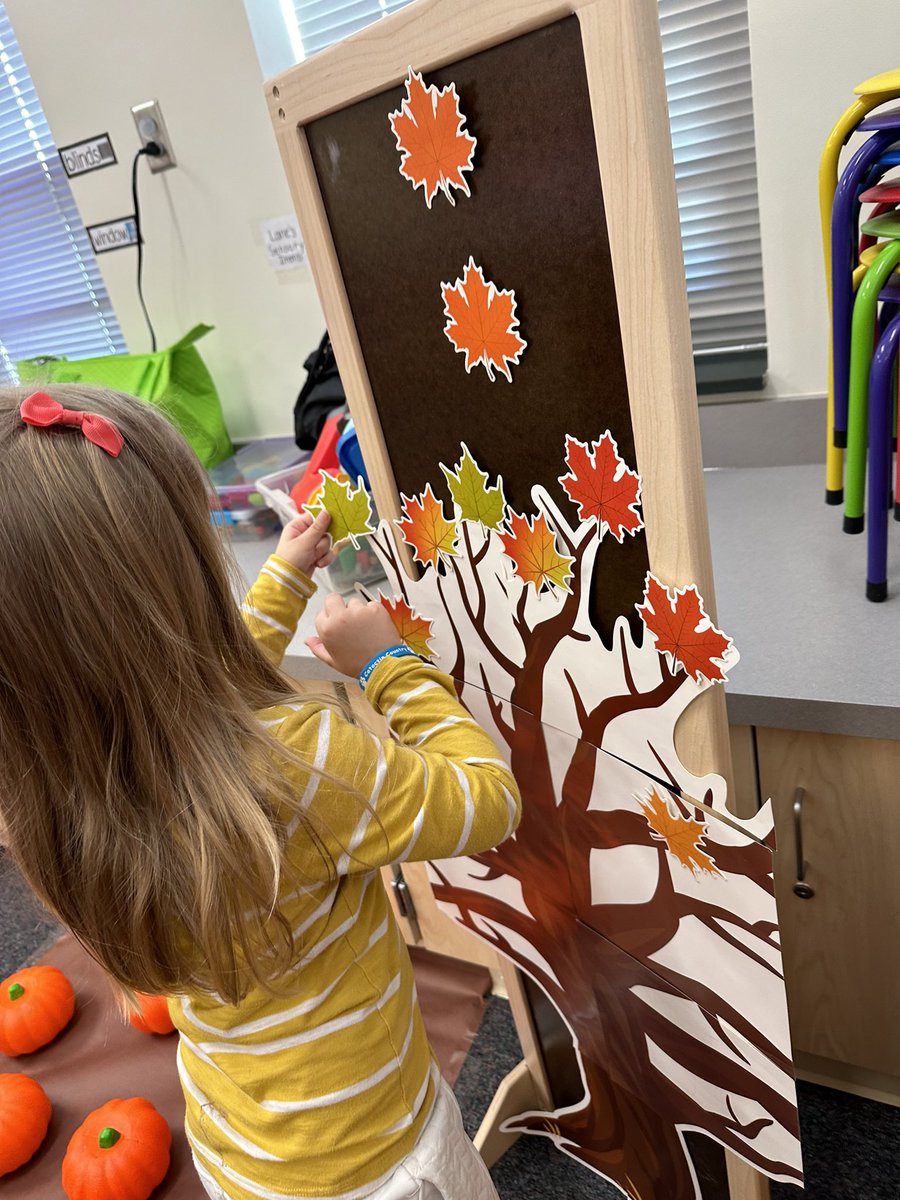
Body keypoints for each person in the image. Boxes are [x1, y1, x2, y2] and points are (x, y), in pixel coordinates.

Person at [0, 387, 521, 1200]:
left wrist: (282, 579)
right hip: (379, 1159)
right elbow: (486, 798)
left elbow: (188, 682)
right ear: (182, 579)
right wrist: (389, 667)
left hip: (245, 1154)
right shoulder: (302, 766)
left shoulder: (61, 794)